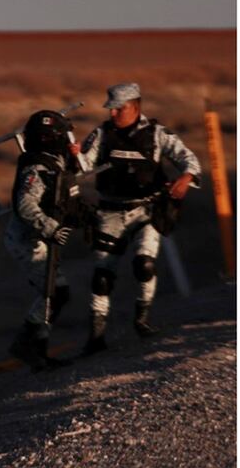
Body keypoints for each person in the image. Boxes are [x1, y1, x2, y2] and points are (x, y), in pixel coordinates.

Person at [77, 83, 201, 354]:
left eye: (118, 109)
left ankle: (141, 320)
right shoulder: (102, 133)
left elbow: (189, 159)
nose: (112, 114)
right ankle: (96, 337)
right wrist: (74, 155)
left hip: (147, 210)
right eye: (110, 109)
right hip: (110, 211)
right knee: (101, 276)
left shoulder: (157, 134)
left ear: (134, 106)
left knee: (144, 264)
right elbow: (85, 166)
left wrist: (186, 178)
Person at [5, 109, 87, 371]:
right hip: (28, 241)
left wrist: (74, 160)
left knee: (52, 294)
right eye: (64, 136)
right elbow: (26, 205)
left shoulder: (51, 161)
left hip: (39, 239)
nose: (68, 141)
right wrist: (50, 227)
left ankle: (38, 355)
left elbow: (62, 185)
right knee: (55, 293)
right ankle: (26, 344)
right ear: (50, 138)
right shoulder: (37, 167)